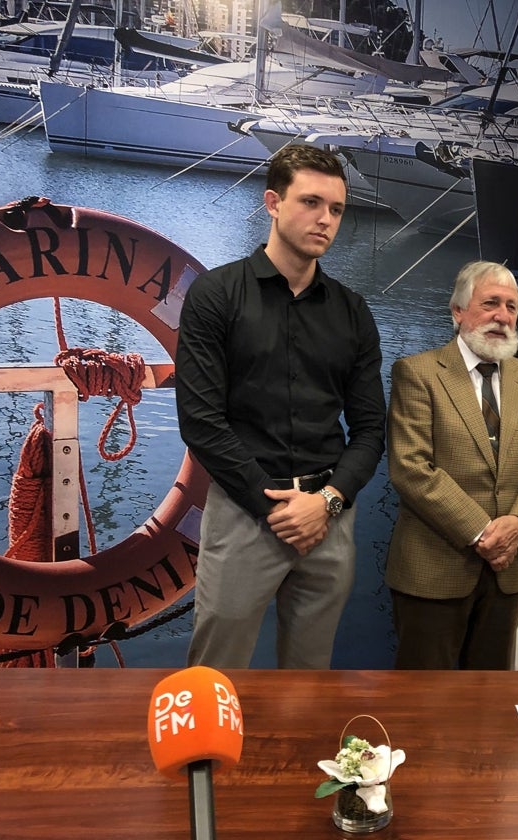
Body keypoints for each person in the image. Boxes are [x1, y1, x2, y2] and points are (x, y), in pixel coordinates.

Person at [175, 144, 386, 669]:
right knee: (215, 672)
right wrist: (274, 509)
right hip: (247, 514)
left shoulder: (352, 312)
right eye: (311, 202)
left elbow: (369, 430)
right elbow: (201, 423)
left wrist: (329, 502)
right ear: (272, 202)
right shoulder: (215, 296)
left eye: (336, 209)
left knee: (310, 678)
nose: (326, 219)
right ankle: (207, 757)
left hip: (328, 519)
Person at [386, 260, 518, 670]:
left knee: (491, 701)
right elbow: (412, 468)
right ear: (458, 311)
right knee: (423, 701)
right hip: (433, 569)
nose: (503, 316)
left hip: (508, 573)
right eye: (490, 303)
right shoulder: (418, 373)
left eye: (512, 307)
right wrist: (484, 533)